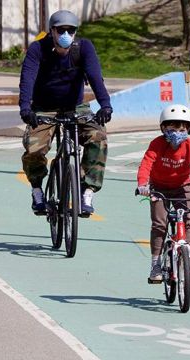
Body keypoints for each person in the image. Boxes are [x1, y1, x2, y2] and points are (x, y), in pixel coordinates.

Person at [18, 10, 114, 217]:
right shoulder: (38, 49)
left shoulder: (83, 48)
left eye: (70, 30)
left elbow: (96, 77)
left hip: (76, 107)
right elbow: (27, 79)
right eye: (61, 30)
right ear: (51, 31)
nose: (66, 34)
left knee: (99, 138)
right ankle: (37, 190)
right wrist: (25, 108)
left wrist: (105, 105)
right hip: (44, 108)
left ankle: (87, 190)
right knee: (34, 148)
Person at [136, 104, 190, 282]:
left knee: (189, 220)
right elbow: (146, 164)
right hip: (159, 188)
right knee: (159, 224)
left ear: (188, 130)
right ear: (163, 128)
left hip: (183, 187)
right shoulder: (157, 144)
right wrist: (143, 184)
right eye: (172, 128)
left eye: (182, 128)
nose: (177, 132)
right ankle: (155, 264)